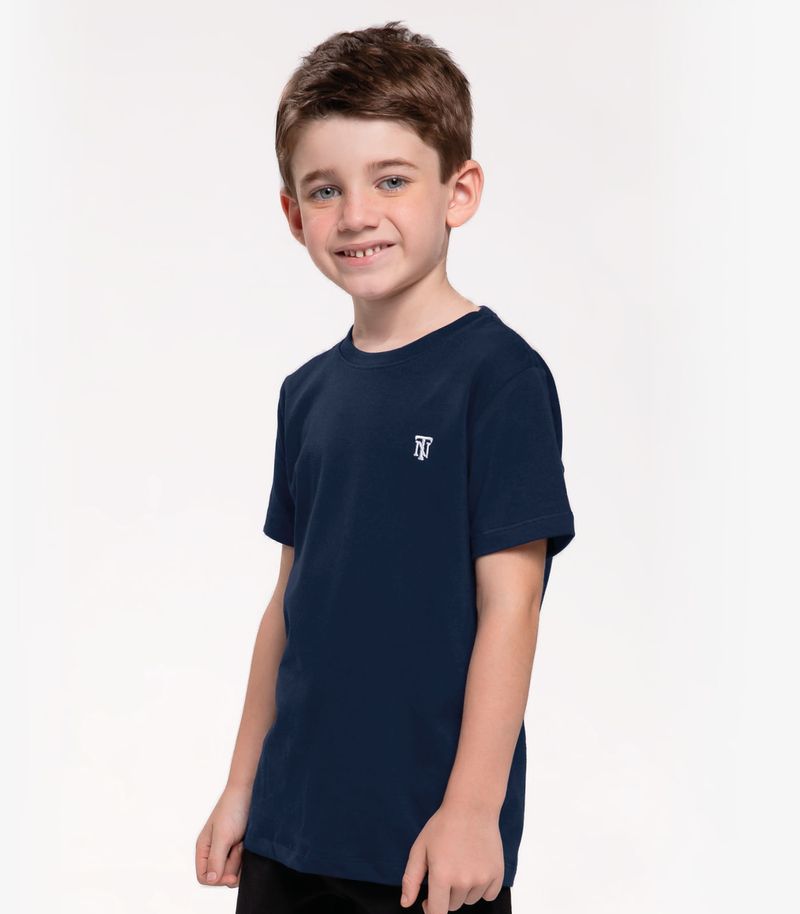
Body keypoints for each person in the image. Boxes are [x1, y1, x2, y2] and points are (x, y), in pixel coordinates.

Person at [195, 20, 576, 914]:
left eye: (392, 180)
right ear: (294, 215)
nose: (357, 214)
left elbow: (511, 605)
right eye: (325, 189)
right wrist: (242, 785)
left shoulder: (499, 379)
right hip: (288, 831)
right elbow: (287, 605)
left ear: (459, 191)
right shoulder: (306, 394)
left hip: (423, 844)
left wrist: (472, 811)